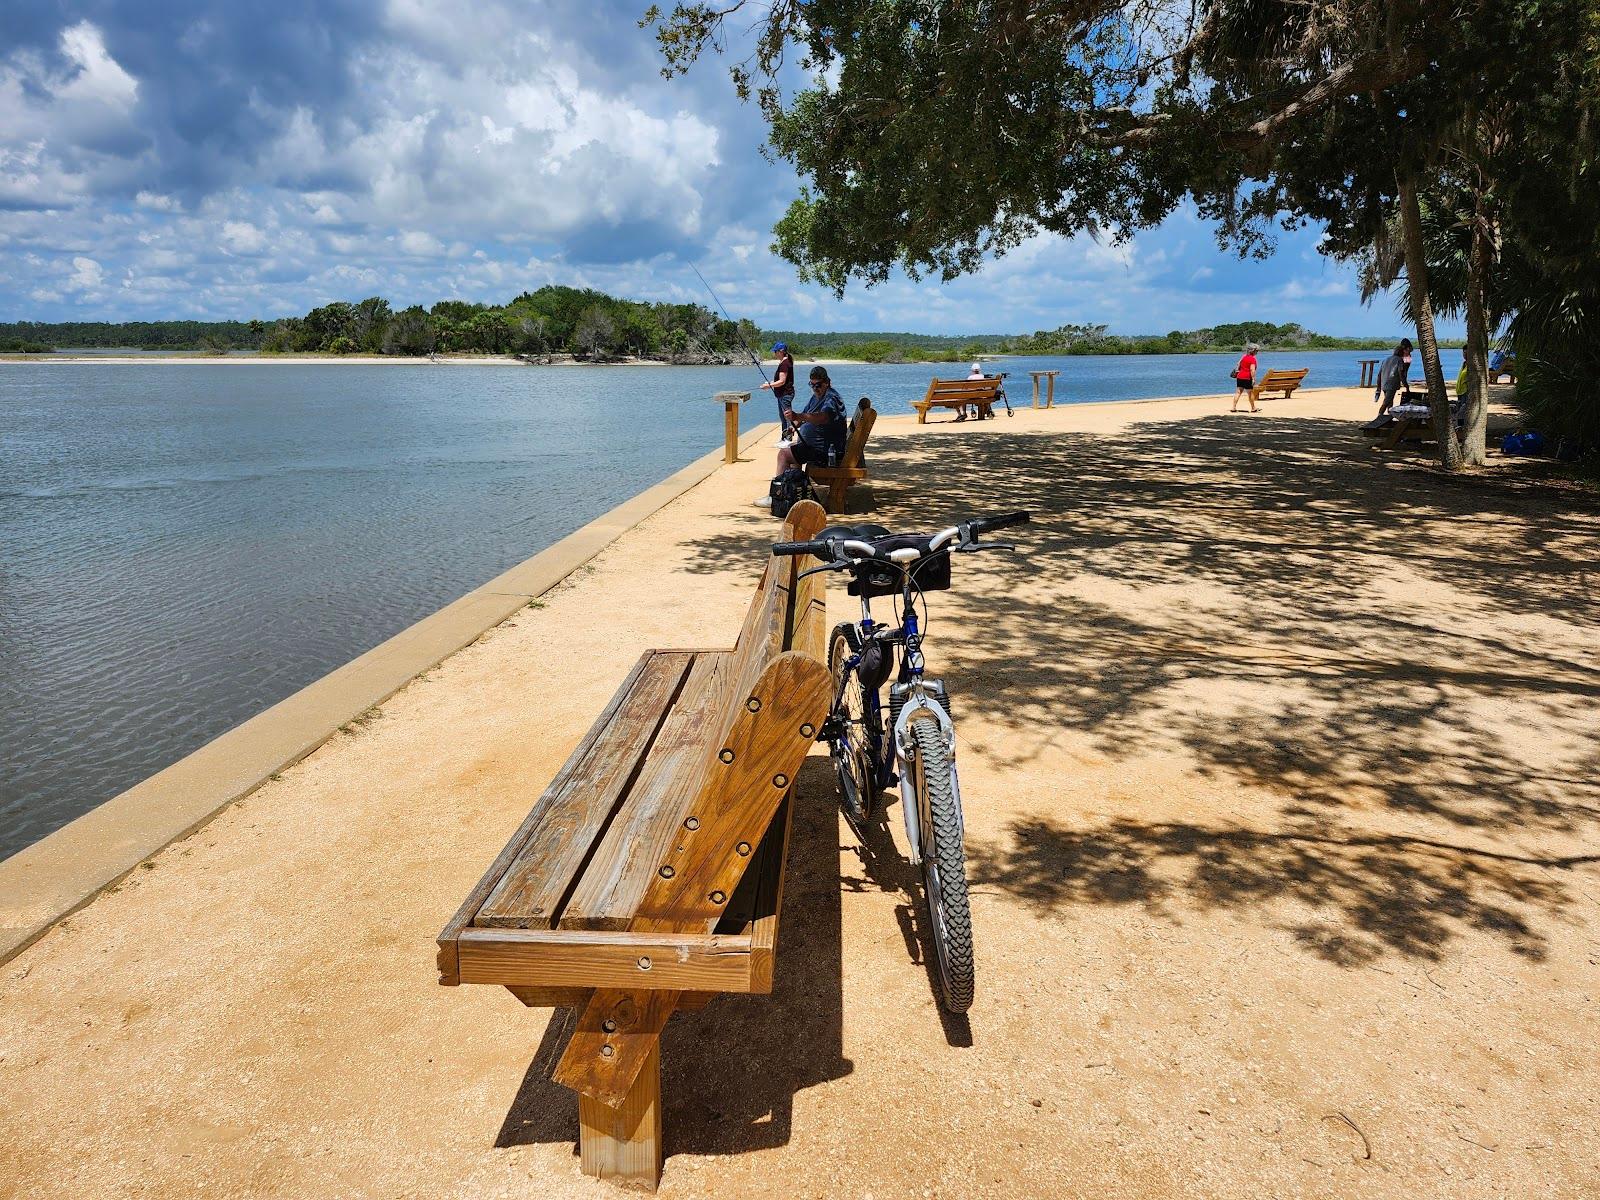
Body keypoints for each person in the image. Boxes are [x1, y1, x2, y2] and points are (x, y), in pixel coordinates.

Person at [754, 366, 847, 507]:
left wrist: (798, 415)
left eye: (818, 385)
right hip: (815, 447)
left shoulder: (831, 399)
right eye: (812, 384)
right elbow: (804, 416)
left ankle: (775, 496)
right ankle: (793, 493)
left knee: (783, 455)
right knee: (793, 450)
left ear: (827, 382)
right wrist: (793, 426)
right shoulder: (816, 398)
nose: (815, 388)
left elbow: (823, 417)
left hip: (826, 452)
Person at [759, 341, 796, 437]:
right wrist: (771, 383)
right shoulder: (784, 362)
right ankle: (785, 438)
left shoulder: (784, 364)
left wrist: (769, 386)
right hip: (782, 394)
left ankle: (788, 438)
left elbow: (782, 381)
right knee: (783, 417)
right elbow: (781, 380)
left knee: (787, 417)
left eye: (775, 351)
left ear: (781, 351)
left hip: (785, 395)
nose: (774, 354)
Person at [1375, 338, 1413, 415]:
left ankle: (1389, 417)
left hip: (1384, 383)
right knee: (1386, 402)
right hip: (1391, 385)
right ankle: (1379, 417)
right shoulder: (1399, 360)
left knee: (1389, 402)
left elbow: (1379, 374)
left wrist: (1378, 387)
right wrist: (1406, 385)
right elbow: (1402, 373)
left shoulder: (1386, 359)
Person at [1231, 342, 1260, 413]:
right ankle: (1253, 407)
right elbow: (1252, 369)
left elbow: (1238, 364)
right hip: (1247, 377)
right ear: (1253, 351)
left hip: (1240, 376)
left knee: (1238, 392)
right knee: (1250, 393)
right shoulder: (1252, 359)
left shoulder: (1243, 357)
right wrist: (1253, 379)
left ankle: (1233, 407)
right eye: (1257, 351)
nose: (1257, 352)